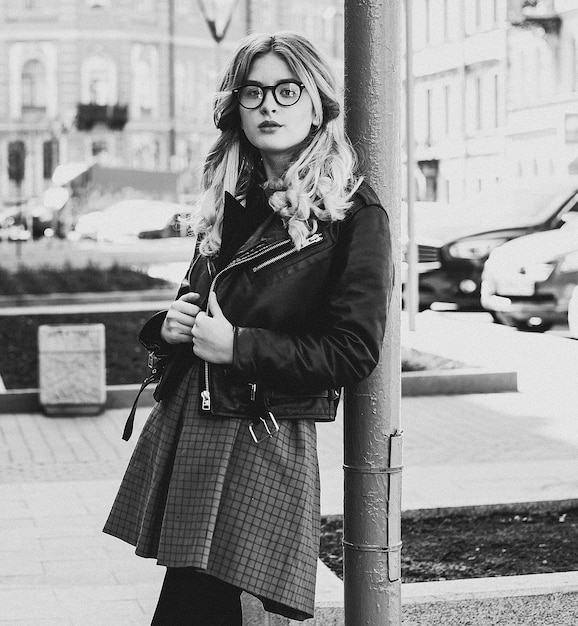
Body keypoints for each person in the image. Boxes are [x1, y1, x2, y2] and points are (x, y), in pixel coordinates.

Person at [103, 31, 393, 625]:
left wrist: (238, 346)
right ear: (236, 106)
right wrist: (172, 325)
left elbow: (354, 350)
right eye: (254, 92)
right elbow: (199, 298)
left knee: (203, 610)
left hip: (263, 433)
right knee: (196, 606)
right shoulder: (232, 199)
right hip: (197, 423)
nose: (269, 105)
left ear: (317, 106)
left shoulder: (352, 215)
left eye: (288, 91)